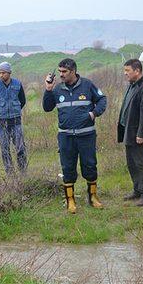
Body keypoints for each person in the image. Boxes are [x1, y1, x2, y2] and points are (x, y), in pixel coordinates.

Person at [43, 58, 107, 214]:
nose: (61, 75)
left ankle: (92, 196)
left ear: (73, 71)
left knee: (90, 166)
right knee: (68, 168)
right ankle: (70, 200)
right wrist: (48, 90)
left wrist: (94, 113)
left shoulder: (87, 85)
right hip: (66, 137)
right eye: (59, 72)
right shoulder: (57, 89)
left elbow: (102, 99)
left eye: (64, 72)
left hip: (86, 136)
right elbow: (46, 107)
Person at [117, 59, 143, 207]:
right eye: (125, 70)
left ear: (137, 70)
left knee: (142, 164)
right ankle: (137, 190)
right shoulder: (131, 86)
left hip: (139, 134)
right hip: (129, 132)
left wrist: (141, 134)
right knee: (132, 164)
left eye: (128, 71)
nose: (125, 73)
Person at [0, 62, 28, 174]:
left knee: (20, 148)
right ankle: (10, 173)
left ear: (9, 72)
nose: (1, 75)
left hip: (15, 121)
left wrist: (15, 110)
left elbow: (22, 100)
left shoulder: (17, 84)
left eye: (3, 72)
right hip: (1, 122)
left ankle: (23, 171)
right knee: (5, 149)